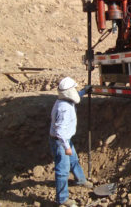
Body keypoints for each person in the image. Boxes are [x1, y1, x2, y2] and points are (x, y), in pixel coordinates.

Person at [49, 77, 92, 207]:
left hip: (64, 140)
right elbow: (60, 132)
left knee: (73, 160)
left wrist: (84, 91)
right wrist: (66, 147)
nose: (74, 90)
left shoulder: (65, 100)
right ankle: (62, 199)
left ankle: (80, 180)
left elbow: (75, 97)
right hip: (61, 141)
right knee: (63, 170)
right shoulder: (64, 108)